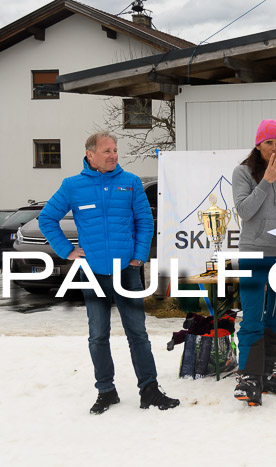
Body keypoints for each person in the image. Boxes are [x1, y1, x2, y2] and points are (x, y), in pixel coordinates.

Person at [39, 131, 179, 414]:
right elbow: (47, 218)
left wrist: (139, 257)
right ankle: (106, 391)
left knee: (137, 333)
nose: (113, 155)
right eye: (107, 151)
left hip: (127, 270)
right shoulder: (72, 186)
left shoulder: (130, 183)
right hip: (93, 272)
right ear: (90, 154)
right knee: (98, 335)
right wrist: (67, 251)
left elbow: (144, 221)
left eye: (115, 150)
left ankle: (149, 390)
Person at [231, 119, 276, 406]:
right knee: (252, 316)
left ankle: (268, 371)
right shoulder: (243, 172)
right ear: (258, 144)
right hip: (254, 253)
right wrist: (266, 182)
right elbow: (244, 211)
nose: (273, 148)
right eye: (268, 142)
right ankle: (248, 377)